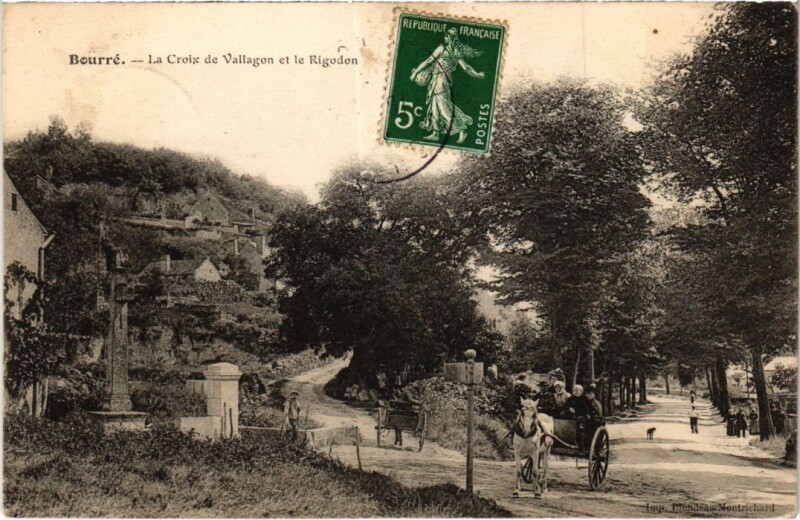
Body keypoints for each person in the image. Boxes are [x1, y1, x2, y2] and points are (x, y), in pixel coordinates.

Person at [410, 27, 485, 144]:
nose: (444, 38)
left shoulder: (443, 48)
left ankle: (462, 130)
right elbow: (466, 67)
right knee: (434, 105)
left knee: (444, 108)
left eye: (446, 36)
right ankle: (435, 132)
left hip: (441, 80)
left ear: (451, 38)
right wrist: (478, 74)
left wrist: (415, 72)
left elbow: (429, 61)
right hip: (439, 79)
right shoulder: (455, 51)